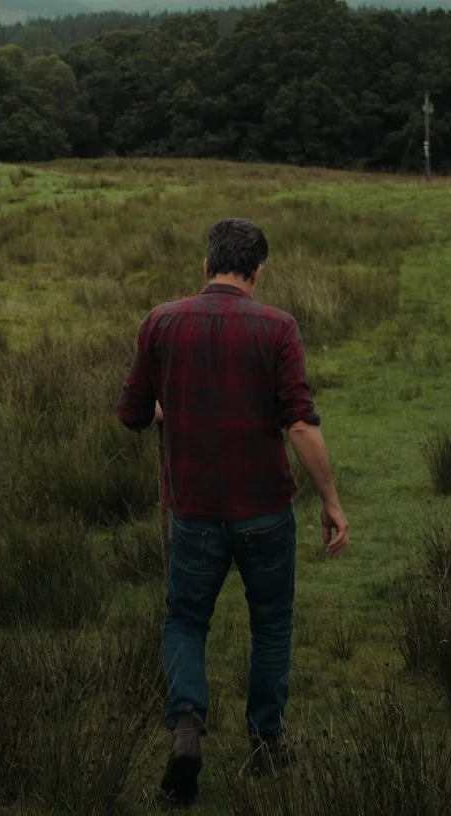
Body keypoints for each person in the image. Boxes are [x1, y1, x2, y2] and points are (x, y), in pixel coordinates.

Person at [116, 217, 350, 807]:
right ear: (258, 271)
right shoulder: (278, 327)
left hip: (194, 511)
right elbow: (299, 421)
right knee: (271, 623)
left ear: (206, 266)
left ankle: (188, 724)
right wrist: (329, 499)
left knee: (186, 621)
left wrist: (165, 412)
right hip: (264, 511)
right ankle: (266, 745)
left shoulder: (162, 322)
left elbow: (131, 414)